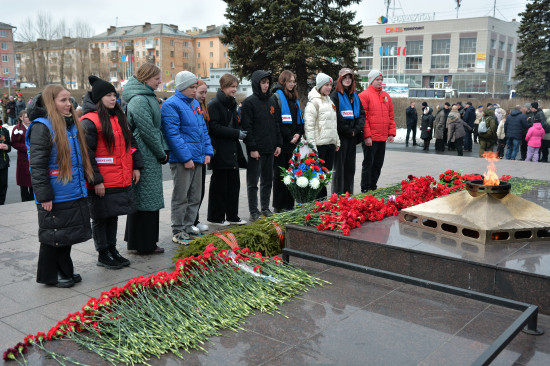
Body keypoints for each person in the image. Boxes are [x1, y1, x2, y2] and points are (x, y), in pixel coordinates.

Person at [25, 85, 94, 288]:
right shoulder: (42, 127)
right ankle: (54, 274)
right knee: (54, 236)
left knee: (65, 235)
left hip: (71, 189)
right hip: (55, 193)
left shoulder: (69, 124)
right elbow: (37, 166)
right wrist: (44, 195)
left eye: (69, 99)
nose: (68, 104)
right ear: (50, 102)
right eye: (63, 100)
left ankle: (65, 269)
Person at [81, 75, 144, 269]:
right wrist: (96, 180)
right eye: (108, 95)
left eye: (114, 95)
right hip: (102, 181)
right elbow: (87, 155)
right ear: (98, 98)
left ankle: (112, 249)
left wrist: (136, 166)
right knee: (101, 218)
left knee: (113, 215)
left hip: (119, 177)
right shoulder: (89, 122)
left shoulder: (118, 117)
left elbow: (131, 144)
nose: (112, 98)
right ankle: (103, 253)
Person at [161, 71, 214, 245]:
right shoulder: (171, 105)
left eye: (195, 86)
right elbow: (173, 135)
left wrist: (207, 151)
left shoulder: (194, 104)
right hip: (183, 159)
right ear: (182, 87)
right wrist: (186, 158)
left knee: (195, 195)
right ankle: (178, 229)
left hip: (198, 158)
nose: (195, 90)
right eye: (192, 87)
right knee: (181, 195)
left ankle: (189, 225)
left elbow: (203, 130)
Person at [122, 63, 168, 254]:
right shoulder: (140, 100)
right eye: (157, 79)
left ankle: (141, 241)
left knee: (147, 199)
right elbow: (148, 131)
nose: (160, 82)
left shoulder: (145, 97)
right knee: (145, 200)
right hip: (145, 154)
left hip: (147, 154)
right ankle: (144, 244)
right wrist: (161, 152)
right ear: (146, 78)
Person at [207, 73, 248, 225]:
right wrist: (236, 133)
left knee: (233, 186)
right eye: (232, 87)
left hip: (232, 151)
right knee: (219, 187)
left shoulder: (232, 104)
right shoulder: (214, 104)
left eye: (236, 87)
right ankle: (215, 217)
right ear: (223, 87)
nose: (235, 90)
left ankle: (232, 215)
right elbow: (214, 128)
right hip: (220, 151)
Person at [241, 70, 282, 221]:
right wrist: (252, 148)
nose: (265, 85)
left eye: (267, 82)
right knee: (253, 183)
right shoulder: (249, 103)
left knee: (267, 180)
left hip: (270, 148)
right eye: (262, 82)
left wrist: (278, 144)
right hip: (256, 151)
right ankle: (254, 210)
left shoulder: (272, 101)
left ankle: (265, 207)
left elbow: (276, 124)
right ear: (256, 84)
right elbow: (247, 128)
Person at [358, 70, 396, 192]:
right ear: (371, 80)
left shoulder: (386, 96)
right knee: (368, 164)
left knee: (378, 164)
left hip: (382, 137)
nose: (380, 82)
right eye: (377, 80)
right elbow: (364, 118)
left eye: (381, 79)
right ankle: (365, 188)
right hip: (371, 138)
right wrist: (367, 136)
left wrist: (391, 133)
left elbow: (390, 115)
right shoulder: (364, 95)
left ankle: (373, 186)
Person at [304, 72, 339, 199]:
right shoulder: (313, 103)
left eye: (330, 85)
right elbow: (309, 127)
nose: (329, 88)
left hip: (329, 144)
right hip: (319, 146)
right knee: (318, 177)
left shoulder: (330, 101)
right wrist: (312, 147)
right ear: (319, 86)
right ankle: (318, 201)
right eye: (326, 85)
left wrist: (337, 141)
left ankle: (322, 201)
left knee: (325, 175)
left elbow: (333, 123)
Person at [272, 70, 304, 210]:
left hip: (293, 142)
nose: (292, 84)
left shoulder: (294, 98)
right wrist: (289, 136)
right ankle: (279, 205)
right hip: (283, 142)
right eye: (289, 81)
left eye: (293, 81)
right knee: (280, 175)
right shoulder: (277, 96)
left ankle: (289, 203)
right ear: (283, 81)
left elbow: (299, 121)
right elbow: (278, 121)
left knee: (292, 174)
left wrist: (297, 134)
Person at [330, 68, 365, 195]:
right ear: (340, 79)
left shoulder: (354, 95)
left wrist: (356, 130)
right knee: (339, 169)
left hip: (353, 136)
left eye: (349, 78)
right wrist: (348, 130)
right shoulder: (335, 95)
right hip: (341, 137)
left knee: (350, 168)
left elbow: (362, 114)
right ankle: (337, 195)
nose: (347, 80)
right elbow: (336, 116)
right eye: (345, 78)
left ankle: (348, 194)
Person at [194, 80, 210, 231]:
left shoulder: (201, 107)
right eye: (201, 92)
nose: (203, 96)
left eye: (205, 92)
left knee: (200, 190)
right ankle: (191, 221)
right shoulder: (192, 107)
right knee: (191, 191)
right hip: (193, 154)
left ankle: (195, 219)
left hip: (202, 153)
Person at [10, 110, 33, 201]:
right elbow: (14, 143)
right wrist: (27, 148)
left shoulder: (33, 126)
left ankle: (32, 199)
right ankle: (24, 200)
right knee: (23, 182)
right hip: (23, 158)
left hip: (33, 157)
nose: (28, 118)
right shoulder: (17, 129)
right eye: (26, 117)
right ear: (21, 118)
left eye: (29, 116)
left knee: (33, 181)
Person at [0, 119, 10, 204]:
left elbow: (9, 145)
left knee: (3, 186)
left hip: (3, 163)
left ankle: (1, 204)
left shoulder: (4, 130)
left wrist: (7, 147)